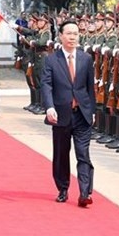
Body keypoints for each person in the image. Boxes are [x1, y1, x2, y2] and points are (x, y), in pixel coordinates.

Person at [42, 20, 97, 207]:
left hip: (82, 114)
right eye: (69, 33)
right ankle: (63, 188)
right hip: (60, 114)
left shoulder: (86, 59)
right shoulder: (51, 60)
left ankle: (85, 192)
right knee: (61, 154)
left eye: (76, 33)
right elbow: (46, 86)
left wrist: (92, 111)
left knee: (83, 154)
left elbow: (90, 88)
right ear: (61, 36)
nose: (73, 37)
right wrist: (49, 107)